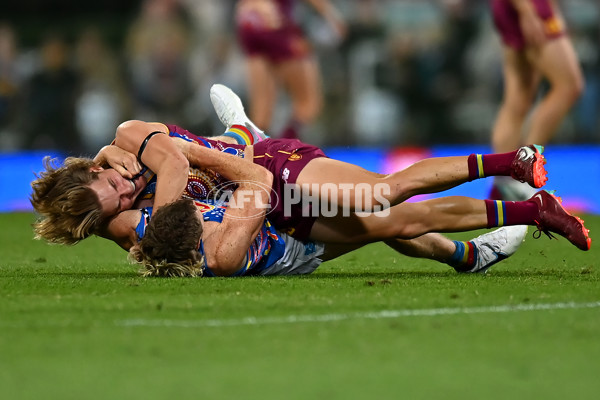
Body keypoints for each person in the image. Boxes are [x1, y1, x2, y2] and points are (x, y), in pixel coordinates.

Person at [30, 85, 591, 257]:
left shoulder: (131, 141)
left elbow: (174, 165)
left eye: (110, 183)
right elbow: (133, 223)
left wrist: (158, 226)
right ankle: (524, 214)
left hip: (271, 171)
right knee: (392, 226)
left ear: (93, 167)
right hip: (268, 210)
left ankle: (510, 161)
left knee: (381, 195)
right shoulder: (114, 217)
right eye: (116, 202)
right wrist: (124, 219)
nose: (124, 191)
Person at [489, 0, 585, 200]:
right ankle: (522, 172)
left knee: (518, 99)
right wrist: (527, 10)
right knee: (569, 86)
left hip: (511, 6)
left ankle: (502, 184)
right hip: (530, 6)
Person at [234, 0, 347, 139]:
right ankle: (284, 150)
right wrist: (333, 17)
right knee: (308, 105)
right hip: (275, 22)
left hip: (249, 20)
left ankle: (249, 153)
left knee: (261, 113)